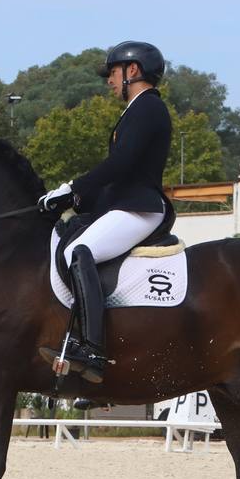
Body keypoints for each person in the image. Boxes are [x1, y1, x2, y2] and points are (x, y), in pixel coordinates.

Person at [37, 40, 172, 384]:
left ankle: (94, 350)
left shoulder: (148, 108)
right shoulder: (135, 110)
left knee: (80, 252)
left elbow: (122, 164)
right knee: (74, 239)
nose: (109, 81)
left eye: (112, 73)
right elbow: (121, 174)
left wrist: (73, 188)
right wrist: (79, 202)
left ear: (132, 71)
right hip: (126, 204)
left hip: (141, 208)